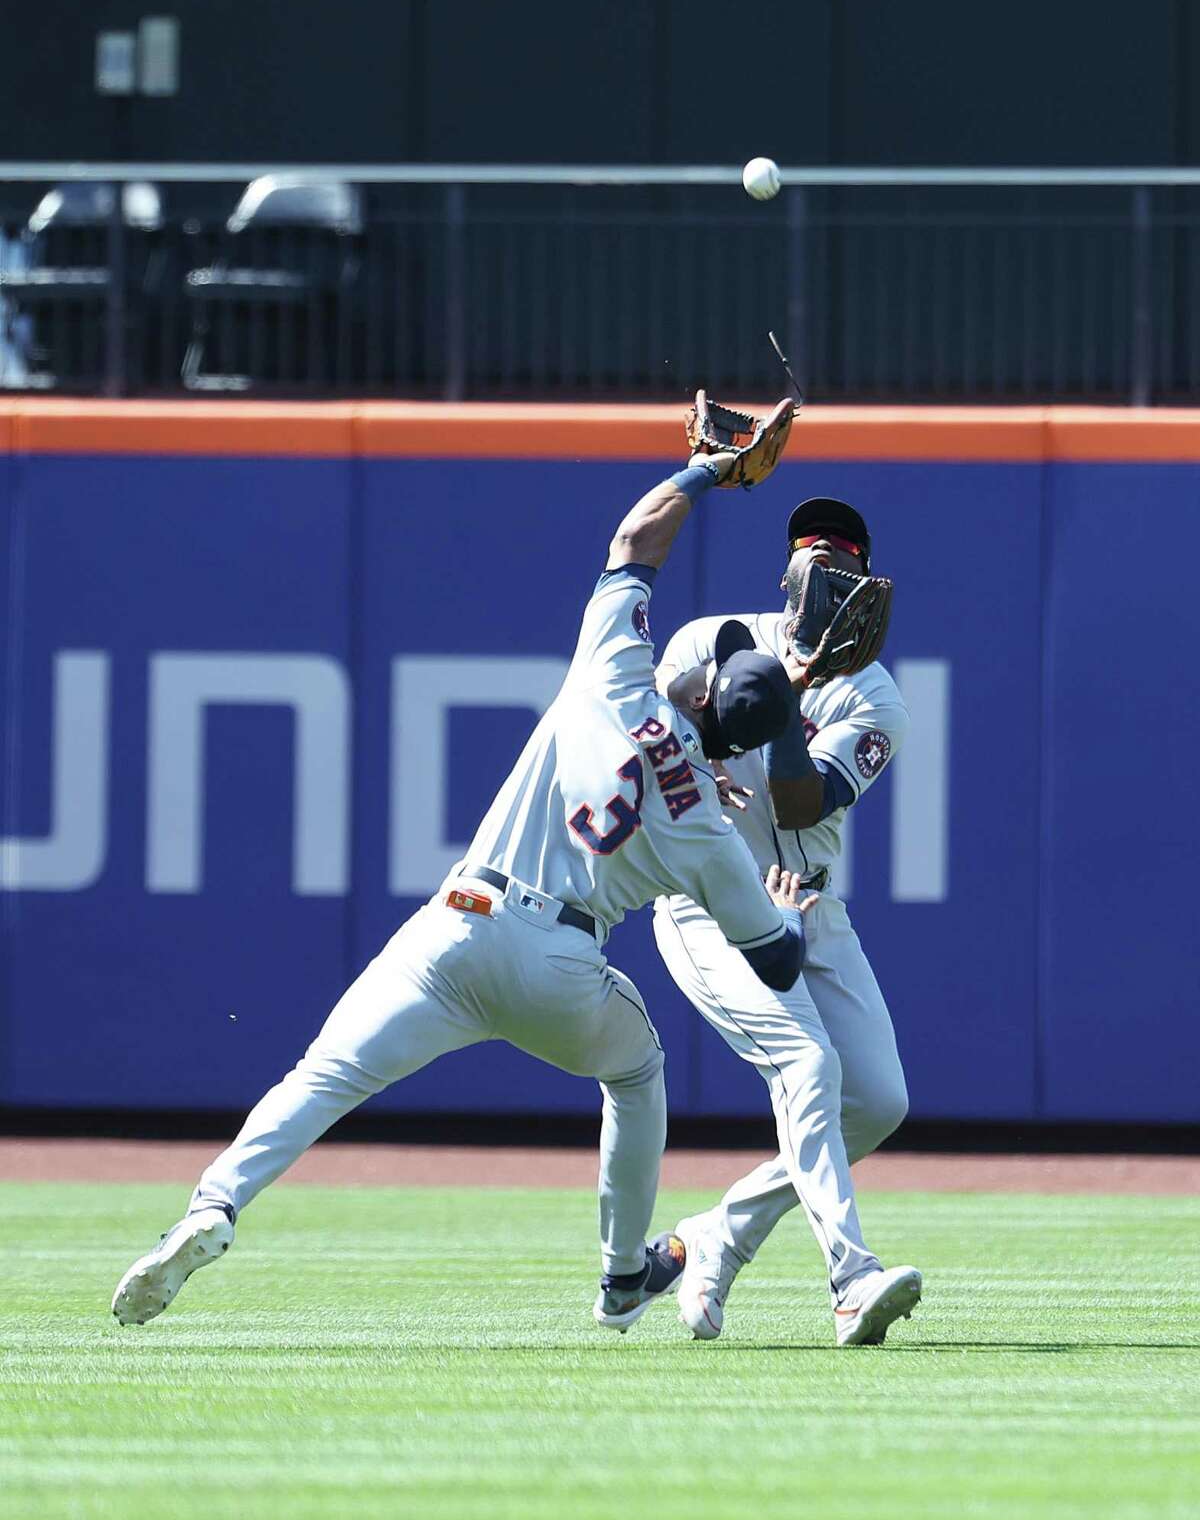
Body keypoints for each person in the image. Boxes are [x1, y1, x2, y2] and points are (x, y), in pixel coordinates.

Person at [112, 436, 815, 1334]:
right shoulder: (713, 834)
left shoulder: (615, 674)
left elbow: (637, 540)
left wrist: (708, 473)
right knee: (637, 1073)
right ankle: (622, 1274)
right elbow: (779, 965)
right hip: (560, 964)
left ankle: (213, 1205)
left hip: (458, 920)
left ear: (703, 689)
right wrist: (786, 908)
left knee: (322, 1076)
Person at [652, 496, 921, 1346]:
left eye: (843, 556)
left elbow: (805, 802)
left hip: (806, 899)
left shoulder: (876, 699)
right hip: (707, 902)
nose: (825, 564)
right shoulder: (713, 637)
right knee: (808, 1063)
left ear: (863, 588)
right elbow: (658, 738)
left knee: (877, 1100)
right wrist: (748, 705)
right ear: (788, 572)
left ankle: (713, 1239)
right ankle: (852, 1278)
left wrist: (784, 704)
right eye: (813, 551)